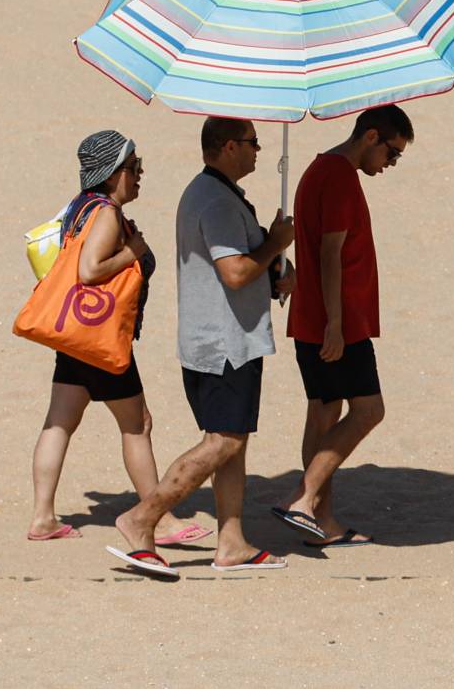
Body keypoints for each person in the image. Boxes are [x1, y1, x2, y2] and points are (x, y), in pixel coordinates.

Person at [106, 117, 296, 577]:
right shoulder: (214, 200)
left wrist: (274, 270)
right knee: (222, 441)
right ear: (229, 146)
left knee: (234, 443)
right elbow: (232, 272)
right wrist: (275, 243)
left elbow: (234, 269)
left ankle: (230, 543)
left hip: (227, 338)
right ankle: (141, 519)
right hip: (223, 342)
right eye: (252, 143)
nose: (258, 150)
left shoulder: (218, 194)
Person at [26, 129, 209, 547]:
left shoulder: (80, 208)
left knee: (59, 423)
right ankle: (158, 521)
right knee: (137, 425)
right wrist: (134, 250)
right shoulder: (105, 212)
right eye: (132, 167)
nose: (139, 174)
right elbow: (90, 270)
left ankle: (42, 517)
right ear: (111, 173)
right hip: (102, 340)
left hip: (74, 335)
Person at [274, 105, 413, 548]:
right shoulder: (339, 177)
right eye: (392, 153)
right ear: (371, 137)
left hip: (313, 319)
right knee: (369, 410)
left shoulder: (320, 170)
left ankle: (323, 520)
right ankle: (304, 498)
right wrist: (336, 323)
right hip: (338, 323)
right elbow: (331, 253)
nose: (390, 164)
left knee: (323, 412)